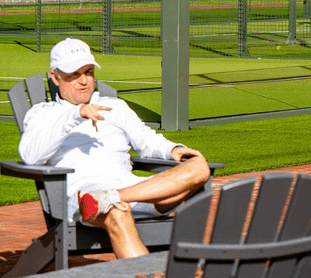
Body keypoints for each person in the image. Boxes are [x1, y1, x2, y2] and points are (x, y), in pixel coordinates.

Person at [18, 38, 211, 259]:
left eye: (88, 72)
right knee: (119, 212)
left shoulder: (116, 107)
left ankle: (110, 197)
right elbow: (30, 155)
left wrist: (172, 149)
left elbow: (146, 139)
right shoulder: (43, 114)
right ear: (55, 77)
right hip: (85, 197)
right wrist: (75, 115)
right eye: (74, 75)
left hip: (133, 191)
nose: (84, 81)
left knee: (199, 167)